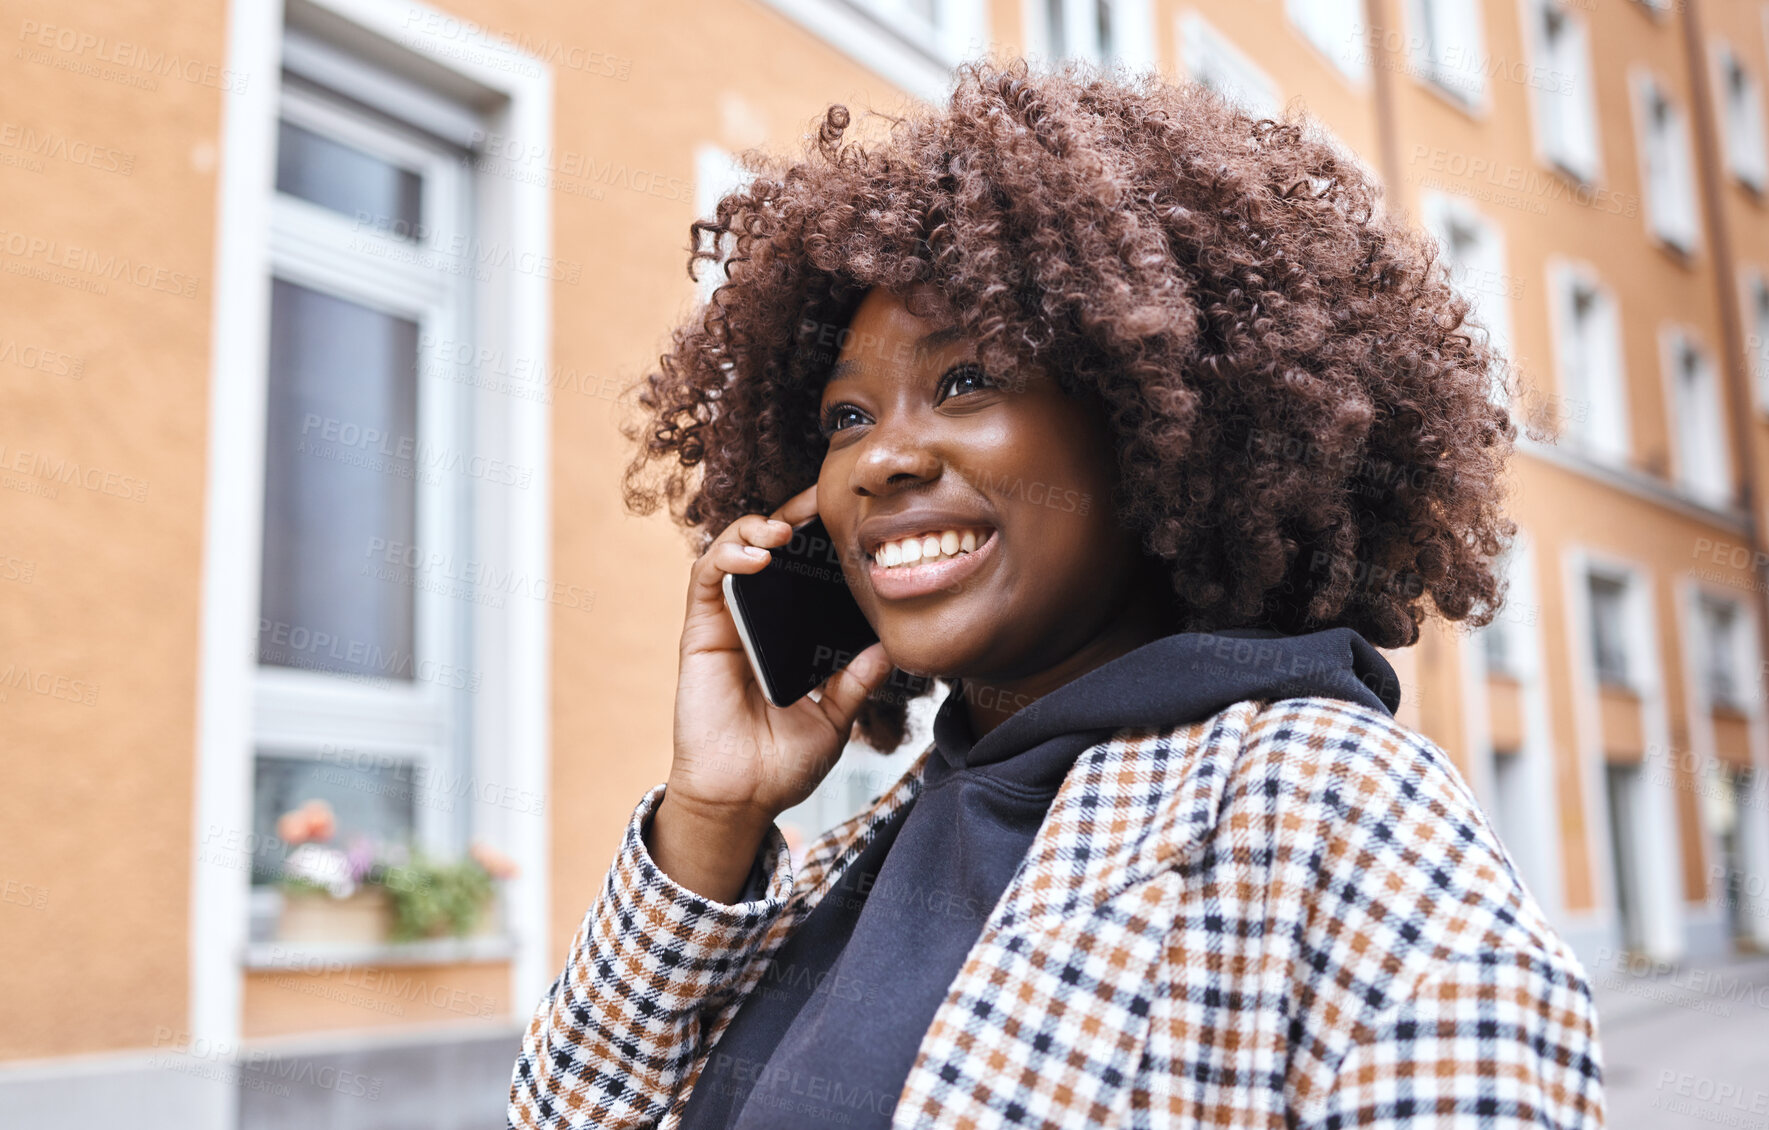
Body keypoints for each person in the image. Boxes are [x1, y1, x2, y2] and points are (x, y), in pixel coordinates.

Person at [507, 60, 1604, 1130]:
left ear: (1154, 420)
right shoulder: (854, 856)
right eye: (845, 417)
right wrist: (710, 818)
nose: (879, 460)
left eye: (966, 379)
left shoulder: (1324, 804)